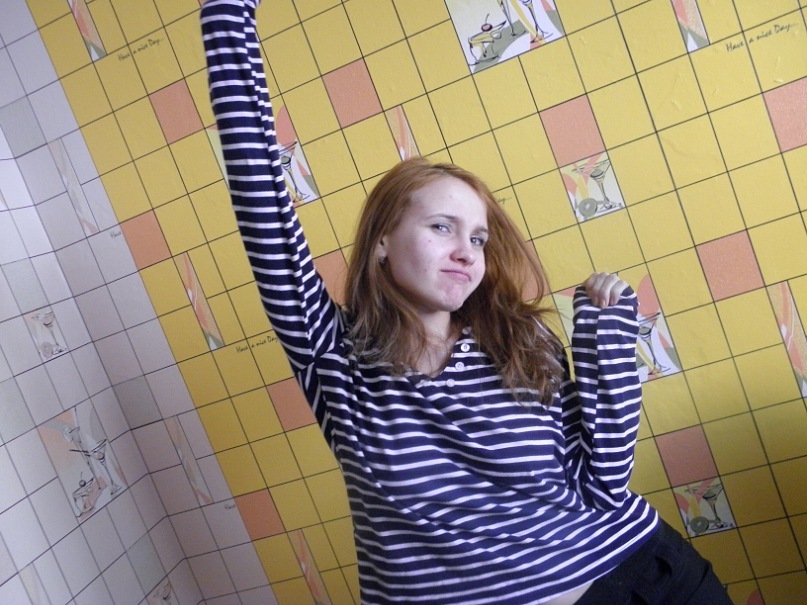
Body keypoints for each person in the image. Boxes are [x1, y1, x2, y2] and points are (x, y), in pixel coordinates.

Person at [200, 2, 731, 603]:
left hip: (641, 579)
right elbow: (259, 190)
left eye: (477, 239)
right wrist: (228, 14)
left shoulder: (518, 339)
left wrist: (604, 337)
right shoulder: (337, 358)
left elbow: (603, 483)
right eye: (441, 228)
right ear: (382, 241)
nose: (466, 253)